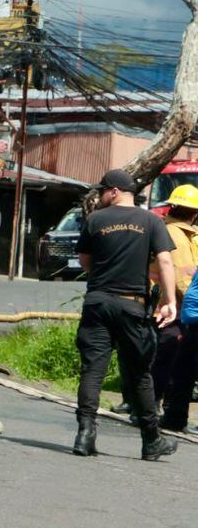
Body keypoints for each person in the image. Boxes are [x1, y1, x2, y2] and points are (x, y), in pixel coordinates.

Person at [73, 168, 179, 461]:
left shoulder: (95, 220)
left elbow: (84, 261)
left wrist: (104, 278)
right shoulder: (151, 221)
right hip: (132, 305)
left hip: (97, 303)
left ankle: (85, 432)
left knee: (92, 370)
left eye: (103, 190)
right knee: (139, 374)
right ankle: (150, 439)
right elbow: (166, 261)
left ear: (116, 191)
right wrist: (170, 302)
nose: (101, 195)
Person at [156, 185, 198, 431]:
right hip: (174, 310)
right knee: (177, 366)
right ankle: (170, 415)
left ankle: (172, 417)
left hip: (180, 311)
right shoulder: (178, 235)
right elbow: (183, 278)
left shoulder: (176, 233)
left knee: (180, 368)